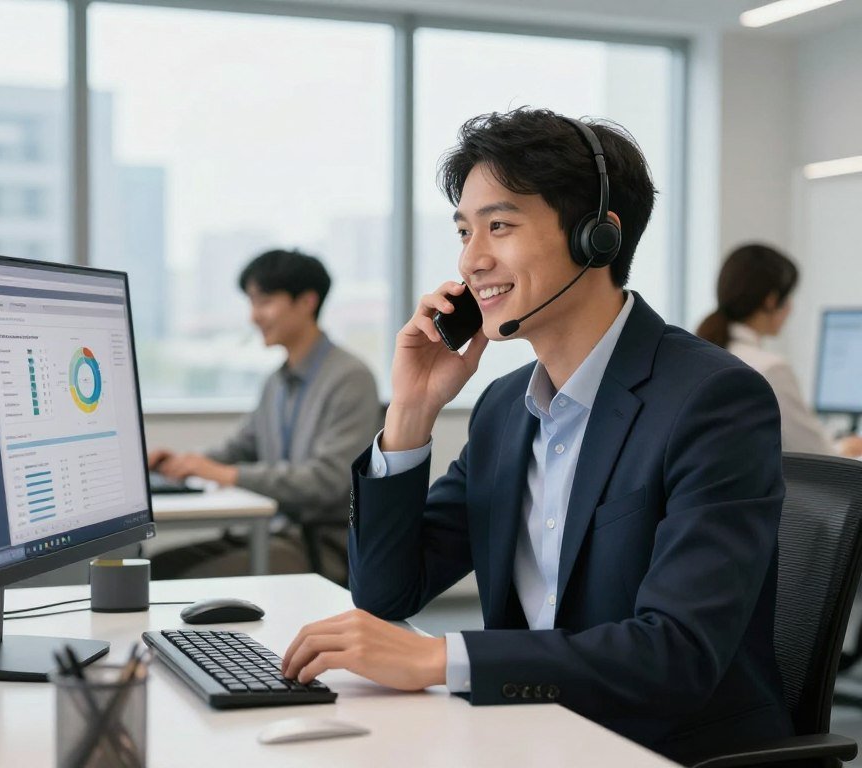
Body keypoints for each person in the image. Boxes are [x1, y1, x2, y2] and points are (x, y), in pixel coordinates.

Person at [281, 109, 793, 765]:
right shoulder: (504, 408)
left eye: (500, 225)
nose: (472, 260)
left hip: (661, 750)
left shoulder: (712, 400)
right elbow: (385, 593)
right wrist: (409, 411)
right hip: (526, 739)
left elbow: (677, 654)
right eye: (465, 231)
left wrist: (442, 657)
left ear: (596, 239)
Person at [148, 249, 380, 583]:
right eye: (252, 303)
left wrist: (227, 474)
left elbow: (328, 481)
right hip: (271, 534)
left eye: (265, 301)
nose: (254, 316)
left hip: (320, 545)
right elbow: (237, 450)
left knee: (178, 580)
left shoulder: (350, 378)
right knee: (157, 567)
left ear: (307, 302)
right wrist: (181, 464)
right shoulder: (278, 381)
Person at [696, 243, 862, 458]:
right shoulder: (770, 368)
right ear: (771, 300)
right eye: (789, 297)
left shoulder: (701, 351)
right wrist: (844, 448)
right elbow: (819, 455)